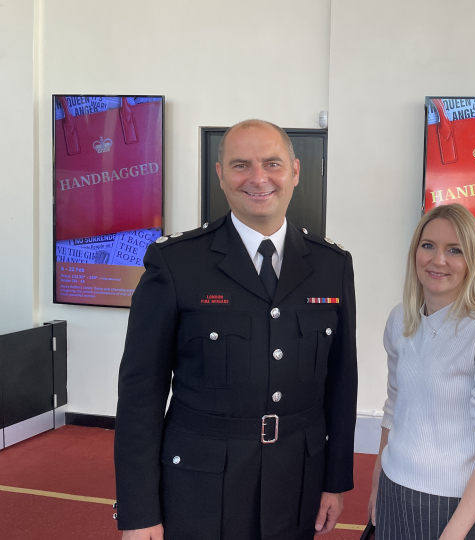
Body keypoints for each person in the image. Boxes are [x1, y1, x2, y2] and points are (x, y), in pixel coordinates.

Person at [114, 119, 357, 540]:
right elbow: (141, 393)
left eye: (273, 164)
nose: (259, 178)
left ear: (295, 172)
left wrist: (334, 479)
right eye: (241, 164)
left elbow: (341, 383)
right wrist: (138, 510)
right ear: (220, 174)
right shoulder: (176, 264)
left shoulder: (331, 266)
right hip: (202, 483)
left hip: (296, 478)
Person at [369, 204, 475, 540]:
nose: (438, 260)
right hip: (393, 490)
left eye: (454, 250)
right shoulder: (400, 320)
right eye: (428, 245)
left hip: (456, 509)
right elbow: (394, 407)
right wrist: (376, 487)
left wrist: (452, 535)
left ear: (472, 261)